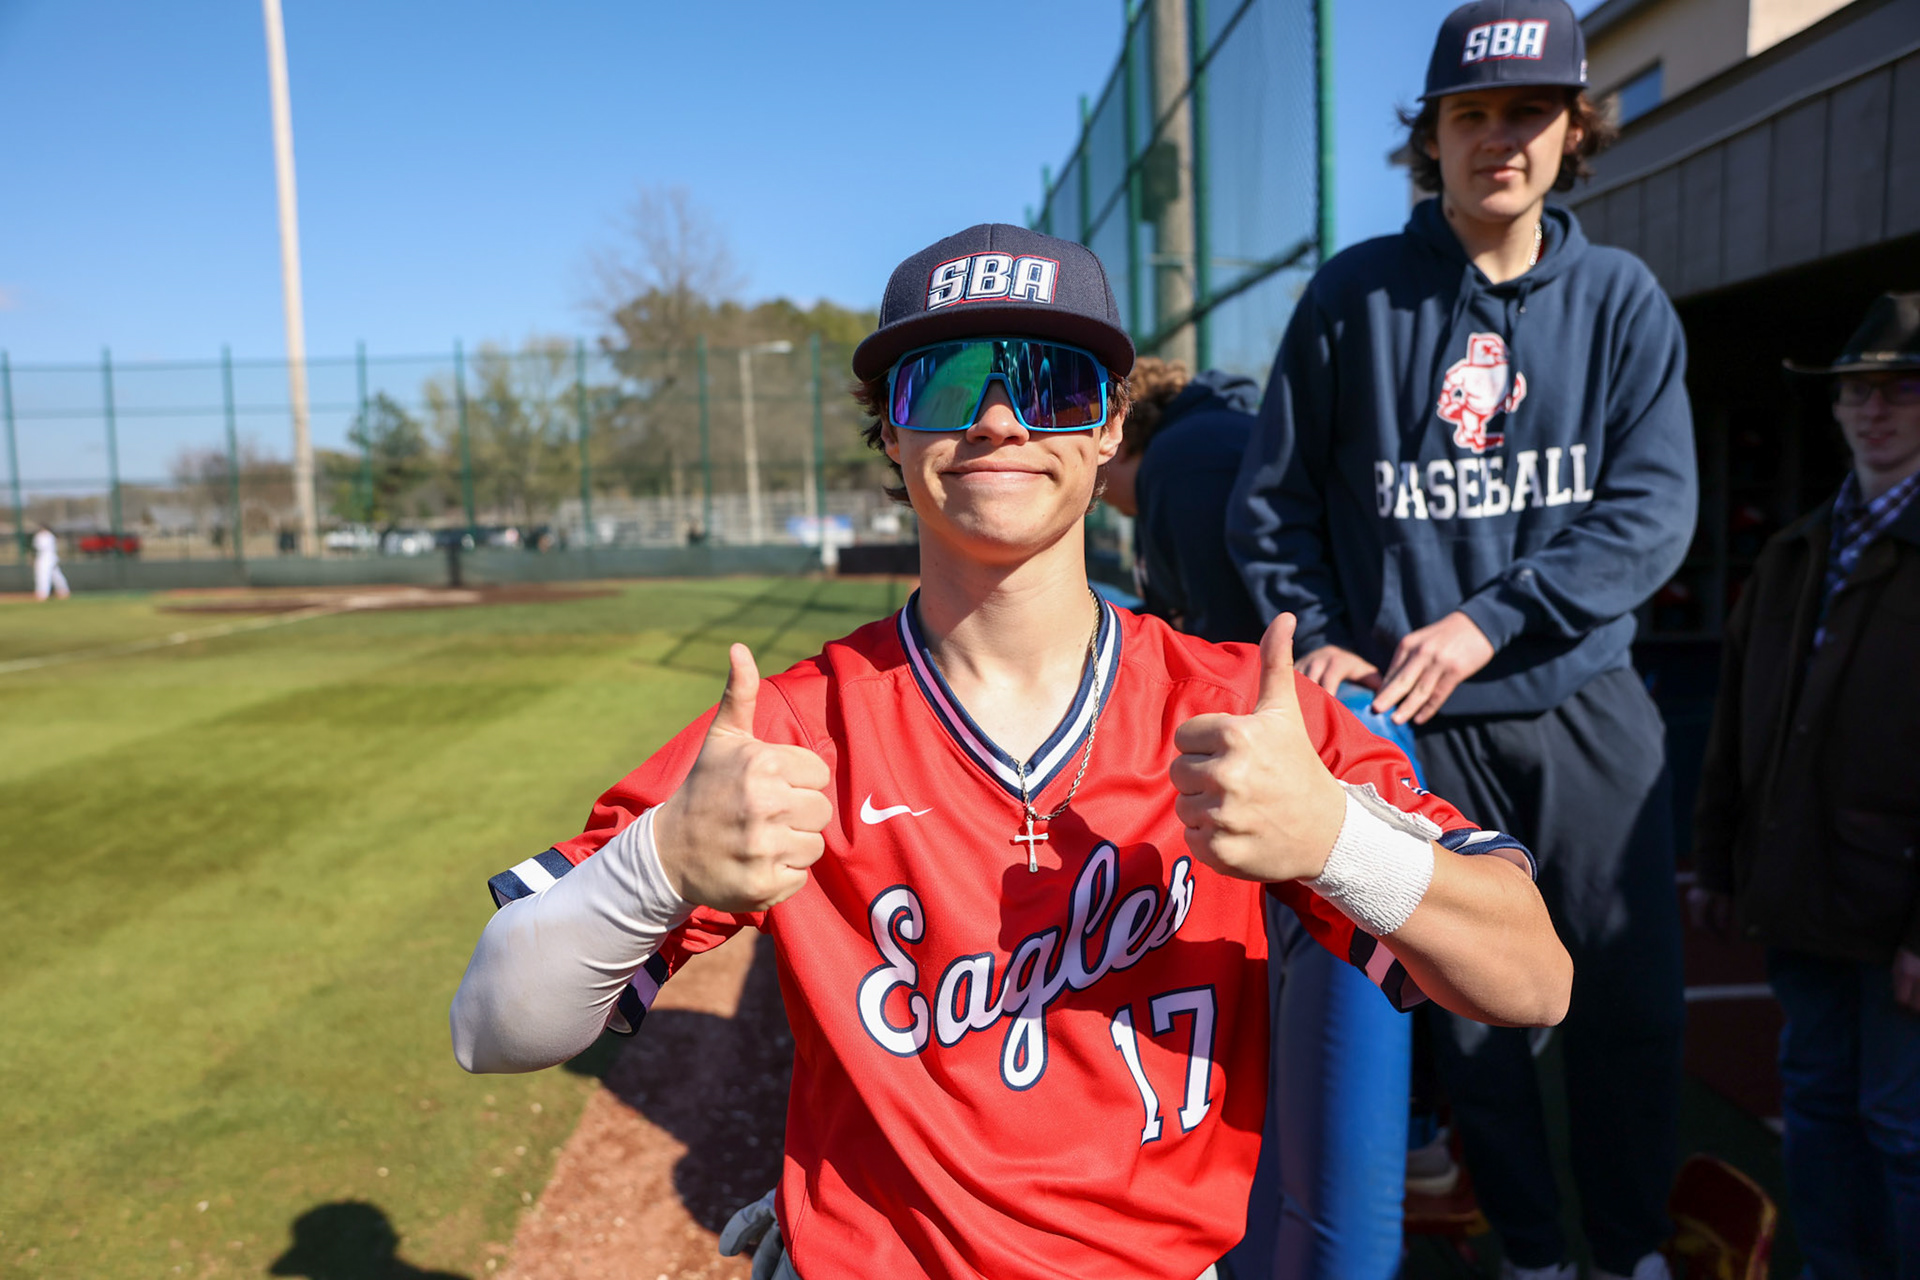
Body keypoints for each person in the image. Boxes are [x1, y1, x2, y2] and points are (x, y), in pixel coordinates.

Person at [451, 224, 1571, 1280]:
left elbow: (1534, 980)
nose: (995, 421)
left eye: (1050, 382)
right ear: (890, 429)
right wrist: (659, 865)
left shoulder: (1235, 708)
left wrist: (1336, 841)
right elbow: (494, 1025)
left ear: (1109, 427)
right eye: (941, 382)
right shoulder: (801, 724)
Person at [1226, 4, 1696, 1278]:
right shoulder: (1351, 297)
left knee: (1631, 1008)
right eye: (1471, 114)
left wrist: (1495, 619)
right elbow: (1268, 507)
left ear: (1572, 130)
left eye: (1529, 113)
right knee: (1472, 1019)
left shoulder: (1621, 297)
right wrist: (1321, 636)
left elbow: (1656, 513)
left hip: (1585, 702)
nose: (1501, 138)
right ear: (1429, 137)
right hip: (1419, 734)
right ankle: (1534, 1249)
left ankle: (1630, 1248)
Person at [1104, 358, 1412, 1279]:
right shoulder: (1214, 434)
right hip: (1355, 711)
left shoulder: (1185, 459)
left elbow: (1215, 650)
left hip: (1308, 751)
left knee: (1304, 1024)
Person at [1690, 292, 1920, 1278]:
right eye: (1858, 391)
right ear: (1832, 410)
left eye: (1902, 390)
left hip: (1897, 908)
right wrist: (1718, 854)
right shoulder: (1795, 551)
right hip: (1803, 893)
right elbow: (1737, 719)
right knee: (1819, 1110)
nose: (1875, 410)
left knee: (1902, 1128)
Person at [32, 524, 70, 601]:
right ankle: (63, 591)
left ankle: (42, 594)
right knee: (56, 575)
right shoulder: (50, 535)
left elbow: (39, 547)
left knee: (43, 575)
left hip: (46, 557)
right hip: (51, 557)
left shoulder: (44, 535)